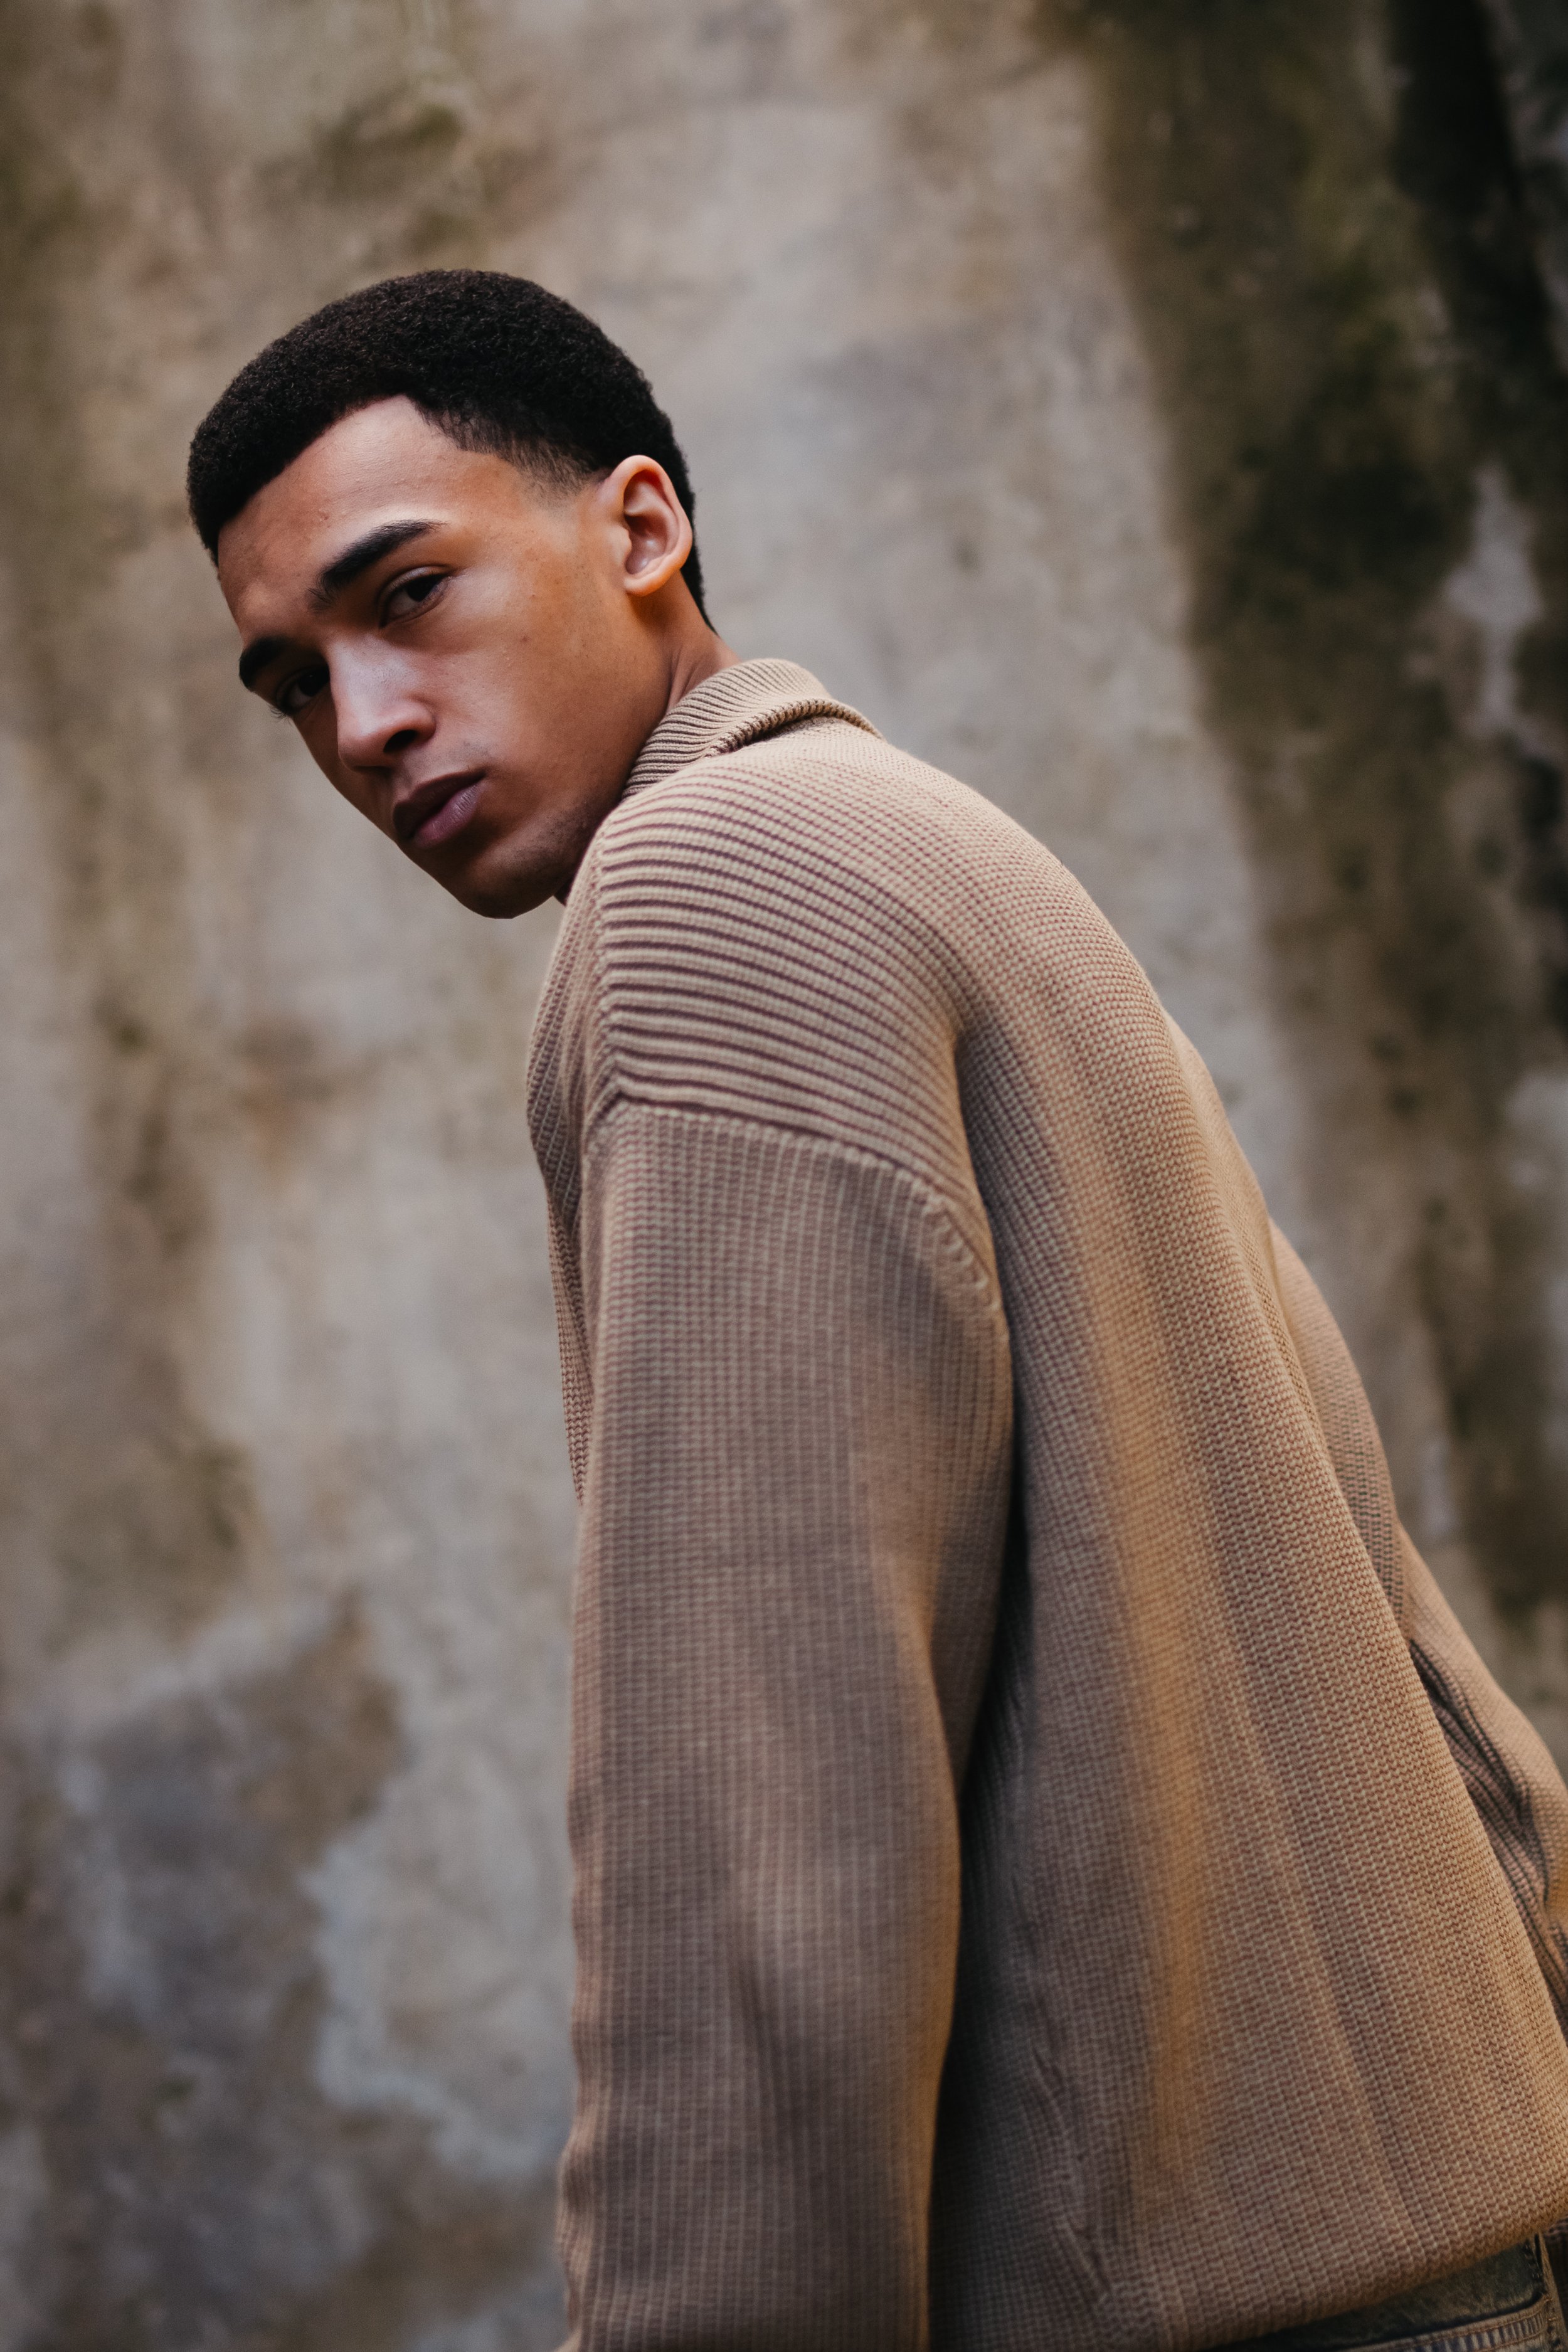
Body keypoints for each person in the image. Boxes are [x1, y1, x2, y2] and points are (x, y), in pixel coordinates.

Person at [189, 269, 1568, 2352]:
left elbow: (760, 1829)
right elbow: (1391, 1628)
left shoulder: (713, 891)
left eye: (409, 596)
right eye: (290, 680)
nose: (362, 725)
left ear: (640, 527)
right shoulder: (924, 846)